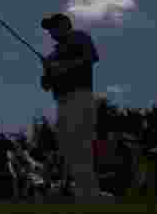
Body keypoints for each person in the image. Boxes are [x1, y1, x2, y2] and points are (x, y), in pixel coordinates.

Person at [40, 12, 105, 203]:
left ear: (65, 24)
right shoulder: (53, 53)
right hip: (62, 102)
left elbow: (91, 57)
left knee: (81, 147)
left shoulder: (79, 38)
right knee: (68, 149)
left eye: (54, 26)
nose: (51, 31)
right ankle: (84, 194)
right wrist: (47, 68)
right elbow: (45, 86)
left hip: (80, 97)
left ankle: (90, 195)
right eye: (49, 29)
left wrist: (60, 65)